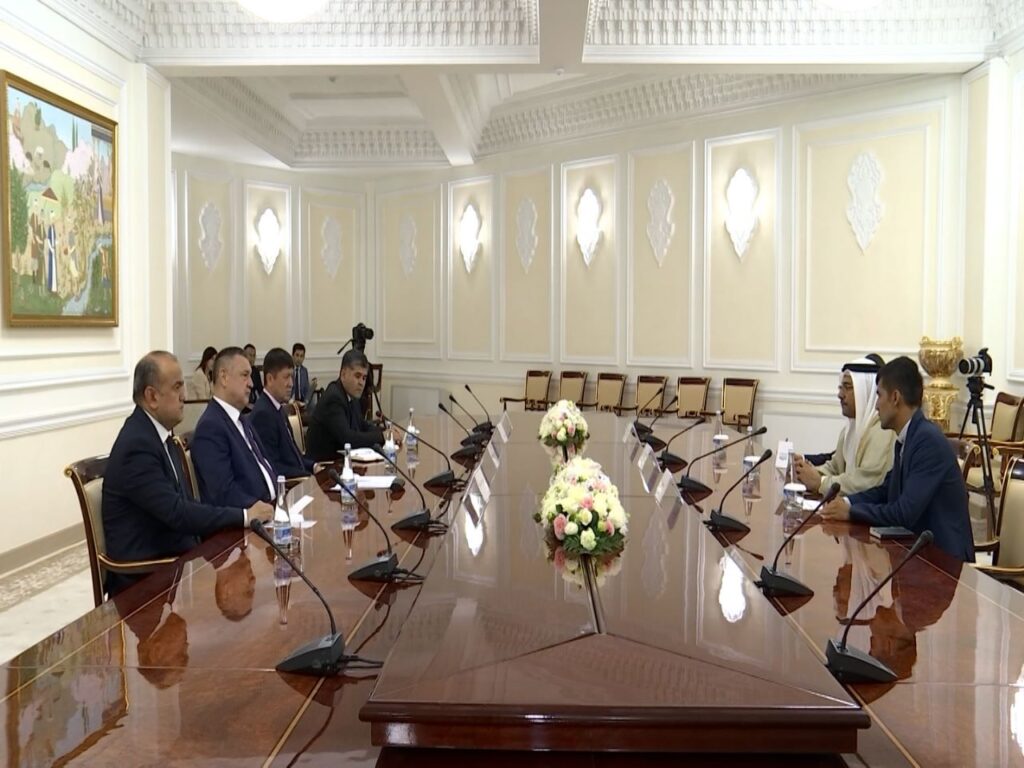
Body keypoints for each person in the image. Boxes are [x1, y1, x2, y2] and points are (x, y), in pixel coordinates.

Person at [101, 352, 271, 597]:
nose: (185, 395)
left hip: (178, 562)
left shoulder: (161, 436)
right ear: (152, 396)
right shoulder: (136, 446)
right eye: (177, 387)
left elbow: (186, 504)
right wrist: (244, 516)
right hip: (145, 583)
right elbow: (177, 513)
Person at [820, 356, 975, 562]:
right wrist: (847, 502)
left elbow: (904, 513)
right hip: (917, 554)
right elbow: (886, 490)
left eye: (879, 395)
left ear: (895, 397)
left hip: (944, 562)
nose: (876, 405)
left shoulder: (927, 441)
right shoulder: (907, 436)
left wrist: (852, 512)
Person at [191, 347, 278, 509]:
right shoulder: (210, 428)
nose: (251, 384)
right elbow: (223, 494)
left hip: (275, 508)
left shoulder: (242, 420)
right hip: (249, 520)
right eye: (245, 375)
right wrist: (264, 510)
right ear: (224, 377)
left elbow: (266, 466)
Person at [795, 355, 894, 494]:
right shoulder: (849, 430)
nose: (840, 395)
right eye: (841, 387)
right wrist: (805, 472)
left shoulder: (882, 431)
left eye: (847, 387)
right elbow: (834, 467)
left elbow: (864, 483)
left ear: (865, 390)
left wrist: (820, 482)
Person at [305, 349, 385, 460]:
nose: (361, 383)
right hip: (323, 465)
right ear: (343, 374)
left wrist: (385, 433)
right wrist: (382, 436)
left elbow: (362, 425)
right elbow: (348, 439)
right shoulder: (334, 398)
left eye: (364, 378)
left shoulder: (352, 395)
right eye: (357, 376)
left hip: (341, 461)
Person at [250, 347, 317, 478]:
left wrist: (314, 466)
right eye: (286, 377)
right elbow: (273, 467)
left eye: (291, 377)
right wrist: (309, 477)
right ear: (270, 379)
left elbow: (295, 456)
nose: (291, 384)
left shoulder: (278, 408)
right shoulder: (263, 414)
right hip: (290, 485)